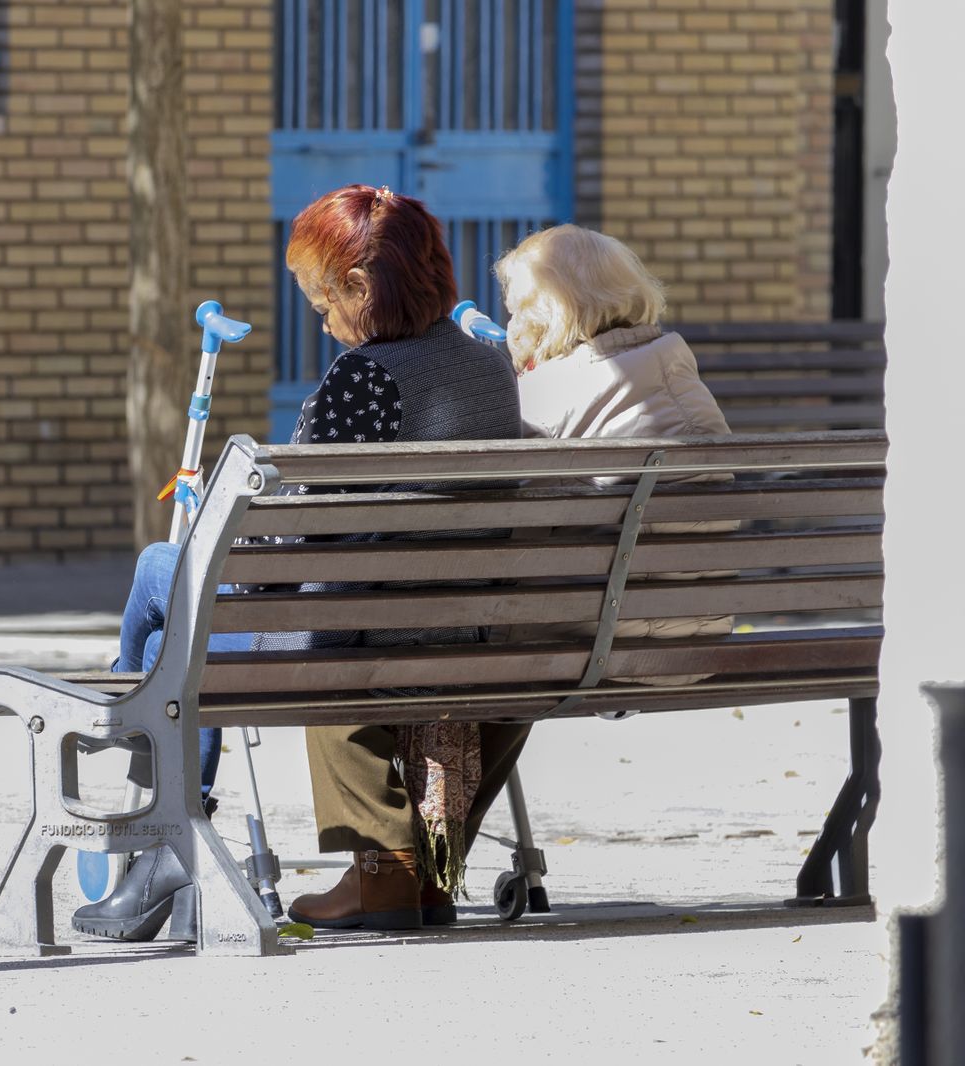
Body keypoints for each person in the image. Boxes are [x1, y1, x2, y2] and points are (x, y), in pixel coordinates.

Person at [73, 183, 524, 940]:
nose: (323, 323)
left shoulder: (365, 379)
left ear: (358, 286)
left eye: (323, 305)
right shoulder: (487, 366)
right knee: (166, 644)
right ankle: (156, 823)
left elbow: (289, 546)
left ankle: (151, 804)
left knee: (160, 576)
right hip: (468, 633)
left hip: (346, 633)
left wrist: (234, 551)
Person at [385, 222, 737, 929]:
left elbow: (496, 528)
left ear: (552, 311)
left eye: (517, 308)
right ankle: (430, 871)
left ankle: (417, 871)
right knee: (506, 655)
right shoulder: (676, 370)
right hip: (689, 632)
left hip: (587, 638)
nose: (510, 323)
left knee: (445, 651)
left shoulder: (551, 391)